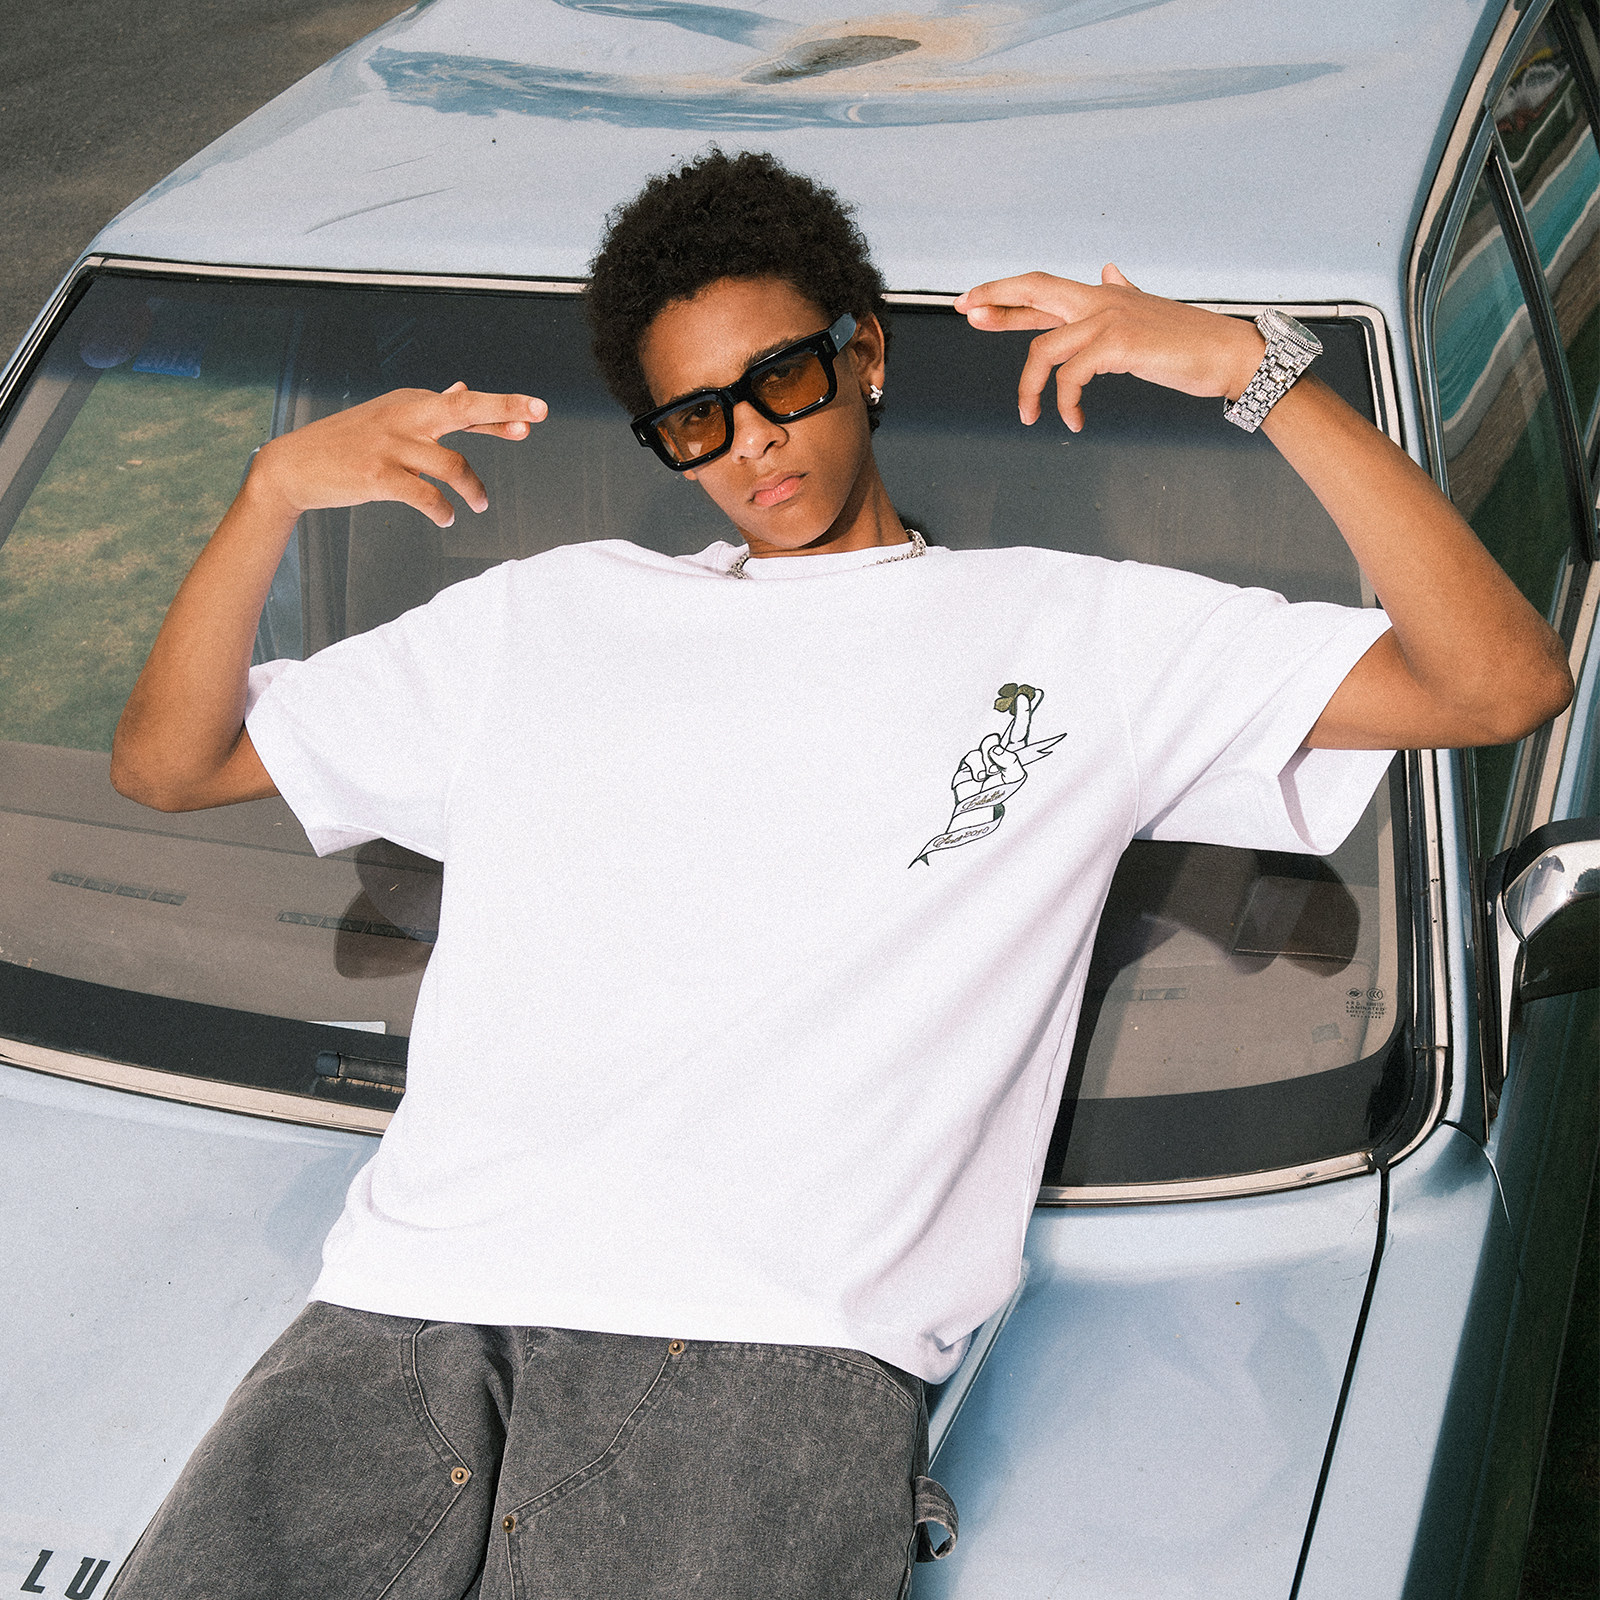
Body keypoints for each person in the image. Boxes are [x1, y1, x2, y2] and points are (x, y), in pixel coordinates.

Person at [105, 149, 1572, 1600]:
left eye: (784, 382)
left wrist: (1256, 375)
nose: (752, 443)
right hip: (395, 1318)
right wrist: (269, 495)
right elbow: (171, 765)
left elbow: (1500, 683)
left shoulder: (1081, 636)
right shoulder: (537, 620)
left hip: (761, 1359)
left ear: (864, 354)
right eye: (697, 420)